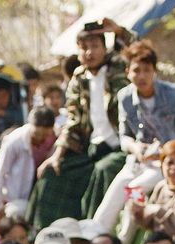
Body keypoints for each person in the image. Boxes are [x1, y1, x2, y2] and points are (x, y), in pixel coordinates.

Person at [91, 39, 175, 234]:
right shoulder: (125, 97)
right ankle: (95, 240)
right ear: (128, 72)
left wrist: (167, 151)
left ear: (154, 71)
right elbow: (124, 137)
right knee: (110, 200)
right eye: (136, 70)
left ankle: (124, 243)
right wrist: (136, 148)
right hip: (138, 161)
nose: (141, 76)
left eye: (146, 70)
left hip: (167, 163)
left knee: (134, 191)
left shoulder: (174, 95)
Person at [30, 19, 130, 227]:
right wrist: (56, 156)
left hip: (121, 145)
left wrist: (119, 30)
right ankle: (43, 232)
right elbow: (73, 121)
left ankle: (93, 230)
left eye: (95, 46)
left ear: (104, 48)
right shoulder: (78, 78)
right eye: (84, 48)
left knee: (104, 170)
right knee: (53, 173)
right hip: (90, 147)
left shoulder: (118, 66)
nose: (89, 53)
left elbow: (137, 51)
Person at [0, 107, 58, 222]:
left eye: (45, 135)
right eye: (37, 134)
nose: (41, 138)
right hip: (15, 197)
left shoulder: (55, 138)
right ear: (30, 125)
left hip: (39, 191)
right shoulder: (14, 141)